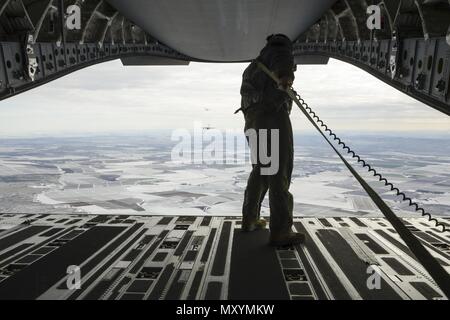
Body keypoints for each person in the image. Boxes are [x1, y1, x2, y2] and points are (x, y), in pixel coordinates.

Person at [238, 34, 305, 246]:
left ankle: (250, 219)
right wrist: (286, 78)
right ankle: (280, 231)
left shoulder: (251, 68)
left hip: (253, 121)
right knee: (279, 172)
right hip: (273, 117)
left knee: (261, 169)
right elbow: (283, 61)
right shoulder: (280, 49)